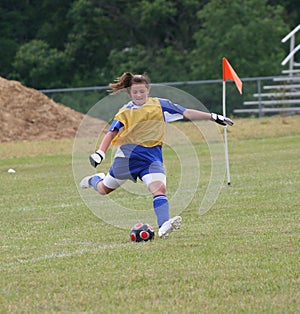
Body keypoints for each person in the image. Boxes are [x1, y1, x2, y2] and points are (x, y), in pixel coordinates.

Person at [80, 72, 233, 238]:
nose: (138, 95)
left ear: (148, 90)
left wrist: (213, 116)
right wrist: (100, 153)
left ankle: (163, 226)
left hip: (152, 158)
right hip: (127, 158)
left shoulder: (160, 105)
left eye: (141, 91)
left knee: (159, 189)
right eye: (135, 92)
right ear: (129, 93)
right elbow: (111, 133)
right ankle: (94, 179)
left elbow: (186, 112)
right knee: (103, 189)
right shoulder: (125, 112)